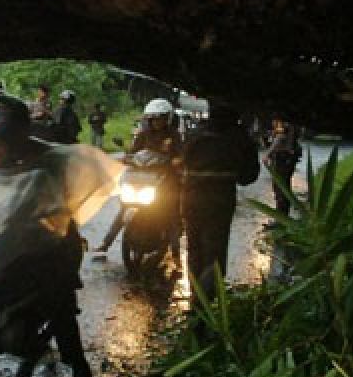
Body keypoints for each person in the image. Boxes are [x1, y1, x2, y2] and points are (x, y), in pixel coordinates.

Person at [0, 91, 95, 377]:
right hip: (0, 241)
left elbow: (51, 210)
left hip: (52, 242)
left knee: (58, 301)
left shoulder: (45, 162)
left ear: (14, 140)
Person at [181, 104, 260, 292]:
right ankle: (204, 308)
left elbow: (181, 159)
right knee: (214, 257)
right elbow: (248, 176)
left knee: (194, 251)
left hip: (190, 199)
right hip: (219, 202)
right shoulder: (239, 136)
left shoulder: (195, 132)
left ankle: (195, 301)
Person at [93, 98, 183, 257]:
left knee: (171, 214)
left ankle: (175, 253)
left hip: (166, 180)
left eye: (160, 118)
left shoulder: (174, 135)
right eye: (154, 119)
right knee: (124, 208)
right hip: (145, 180)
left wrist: (177, 161)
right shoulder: (144, 134)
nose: (157, 122)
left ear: (167, 118)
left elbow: (180, 155)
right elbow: (134, 153)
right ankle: (105, 242)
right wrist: (126, 158)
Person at [263, 119, 303, 218]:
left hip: (282, 157)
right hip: (288, 157)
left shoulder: (282, 120)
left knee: (279, 187)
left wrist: (267, 154)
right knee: (284, 187)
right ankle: (282, 217)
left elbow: (280, 137)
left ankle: (281, 218)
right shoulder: (291, 120)